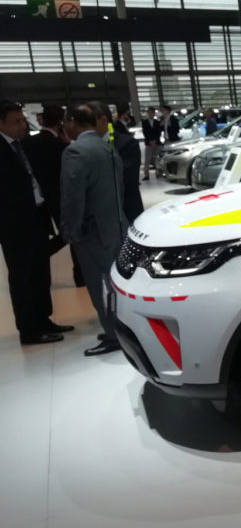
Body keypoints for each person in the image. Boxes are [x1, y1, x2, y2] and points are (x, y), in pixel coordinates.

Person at [0, 101, 74, 344]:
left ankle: (43, 319)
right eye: (16, 121)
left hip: (37, 216)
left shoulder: (22, 145)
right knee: (22, 277)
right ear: (1, 123)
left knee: (41, 273)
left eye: (23, 119)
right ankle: (29, 329)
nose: (23, 125)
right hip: (14, 225)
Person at [61, 103, 128, 356]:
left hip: (92, 231)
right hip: (115, 225)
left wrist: (71, 230)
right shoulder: (107, 147)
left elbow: (73, 196)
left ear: (72, 122)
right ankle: (120, 330)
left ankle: (113, 335)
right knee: (114, 283)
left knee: (98, 285)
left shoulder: (75, 151)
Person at [22, 104, 84, 287]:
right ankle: (79, 275)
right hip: (60, 196)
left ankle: (40, 259)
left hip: (39, 198)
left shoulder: (28, 142)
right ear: (60, 123)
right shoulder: (61, 146)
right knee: (71, 235)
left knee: (48, 234)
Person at [97, 103, 144, 223]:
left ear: (103, 120)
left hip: (126, 209)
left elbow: (127, 178)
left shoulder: (127, 143)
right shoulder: (85, 146)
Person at [141, 107, 161, 181]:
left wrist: (155, 140)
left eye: (152, 112)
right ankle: (146, 175)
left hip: (157, 142)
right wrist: (150, 140)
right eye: (149, 112)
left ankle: (158, 173)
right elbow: (145, 132)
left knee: (157, 159)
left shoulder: (157, 122)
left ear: (154, 113)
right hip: (148, 143)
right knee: (147, 159)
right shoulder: (144, 122)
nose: (150, 114)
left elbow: (158, 132)